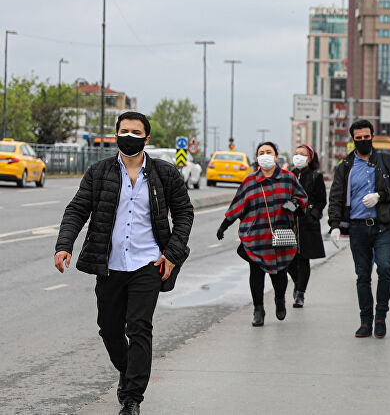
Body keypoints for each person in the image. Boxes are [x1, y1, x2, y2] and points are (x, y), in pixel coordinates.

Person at [55, 111, 193, 415]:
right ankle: (128, 370)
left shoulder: (165, 174)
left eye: (135, 132)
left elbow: (184, 213)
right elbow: (77, 210)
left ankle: (132, 399)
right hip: (110, 265)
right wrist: (65, 245)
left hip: (148, 264)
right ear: (116, 134)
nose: (128, 136)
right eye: (123, 131)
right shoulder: (99, 172)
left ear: (146, 138)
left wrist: (172, 252)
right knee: (109, 328)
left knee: (139, 327)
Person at [328, 120, 390, 338]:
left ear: (373, 135)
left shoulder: (386, 160)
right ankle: (365, 320)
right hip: (358, 228)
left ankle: (381, 316)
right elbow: (335, 197)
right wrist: (334, 225)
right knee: (362, 275)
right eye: (358, 138)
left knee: (385, 269)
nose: (363, 141)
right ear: (352, 139)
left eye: (366, 137)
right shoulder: (345, 166)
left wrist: (380, 196)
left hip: (383, 226)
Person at [217, 142, 307, 327]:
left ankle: (279, 300)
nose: (265, 155)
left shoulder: (288, 178)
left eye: (269, 152)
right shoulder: (250, 181)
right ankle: (258, 309)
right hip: (256, 236)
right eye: (261, 153)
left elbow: (301, 198)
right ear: (257, 157)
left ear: (276, 157)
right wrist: (224, 225)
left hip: (281, 236)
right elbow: (237, 205)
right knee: (256, 273)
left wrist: (291, 206)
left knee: (280, 274)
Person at [288, 144, 326, 308]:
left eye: (302, 154)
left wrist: (313, 215)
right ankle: (297, 283)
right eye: (296, 154)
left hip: (308, 222)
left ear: (310, 158)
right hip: (290, 222)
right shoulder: (289, 176)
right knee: (289, 260)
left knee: (303, 259)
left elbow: (321, 201)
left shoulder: (316, 177)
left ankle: (300, 293)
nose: (298, 157)